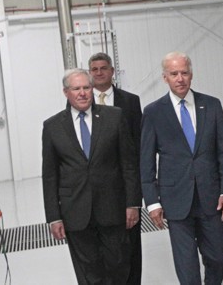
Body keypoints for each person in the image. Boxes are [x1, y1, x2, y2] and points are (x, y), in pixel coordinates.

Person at [140, 52, 223, 285]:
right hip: (174, 198)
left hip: (211, 197)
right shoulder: (153, 112)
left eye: (184, 72)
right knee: (186, 262)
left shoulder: (211, 105)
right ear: (165, 78)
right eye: (174, 74)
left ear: (191, 74)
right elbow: (146, 161)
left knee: (218, 256)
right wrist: (152, 202)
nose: (180, 78)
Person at [42, 69, 141, 284]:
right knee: (89, 274)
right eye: (76, 89)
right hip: (75, 212)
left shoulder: (114, 117)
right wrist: (54, 216)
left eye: (86, 88)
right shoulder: (52, 127)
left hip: (113, 208)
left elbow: (129, 164)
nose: (82, 93)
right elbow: (49, 176)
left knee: (118, 267)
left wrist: (133, 203)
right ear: (66, 92)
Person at [88, 52, 144, 284]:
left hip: (125, 183)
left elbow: (138, 141)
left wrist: (140, 184)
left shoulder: (130, 101)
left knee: (130, 241)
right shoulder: (81, 100)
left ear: (112, 71)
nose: (99, 72)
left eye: (103, 68)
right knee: (99, 242)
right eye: (94, 69)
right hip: (94, 187)